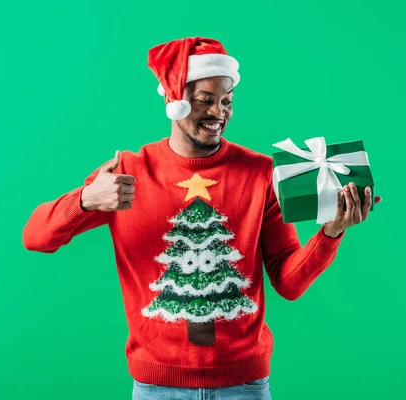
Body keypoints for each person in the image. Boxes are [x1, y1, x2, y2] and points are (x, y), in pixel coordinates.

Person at [22, 36, 382, 400]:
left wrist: (331, 231)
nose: (218, 113)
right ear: (172, 100)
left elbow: (288, 283)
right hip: (156, 387)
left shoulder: (260, 173)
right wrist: (86, 199)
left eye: (226, 101)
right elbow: (35, 236)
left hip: (243, 386)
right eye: (205, 101)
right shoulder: (129, 172)